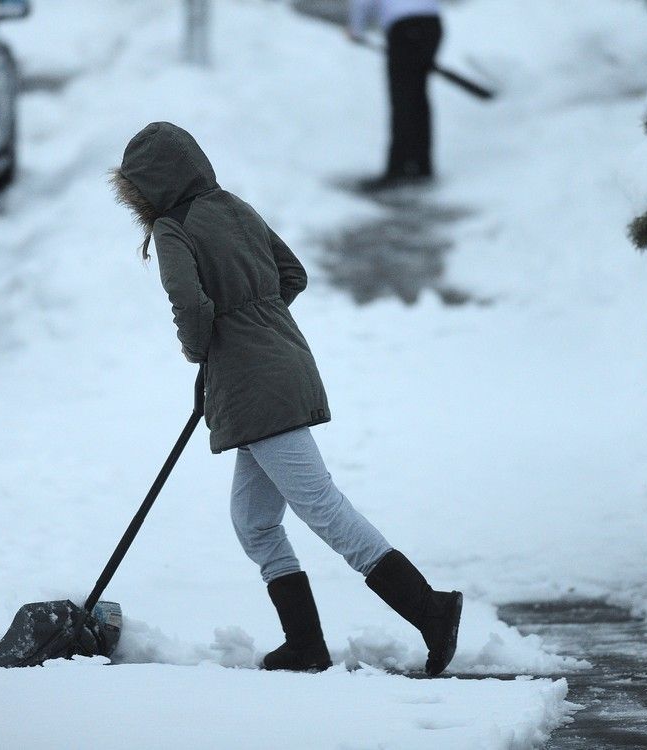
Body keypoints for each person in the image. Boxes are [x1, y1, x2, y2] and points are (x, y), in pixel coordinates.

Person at [111, 122, 462, 675]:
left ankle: (431, 610)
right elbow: (291, 273)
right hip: (281, 367)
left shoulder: (171, 228)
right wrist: (259, 323)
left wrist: (205, 351)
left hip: (255, 386)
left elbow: (191, 306)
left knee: (321, 506)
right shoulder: (233, 206)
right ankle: (305, 644)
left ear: (145, 186)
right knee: (254, 521)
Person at [348, 0, 443, 189]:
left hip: (404, 27)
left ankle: (398, 168)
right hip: (433, 24)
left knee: (403, 98)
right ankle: (422, 166)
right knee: (418, 96)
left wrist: (356, 30)